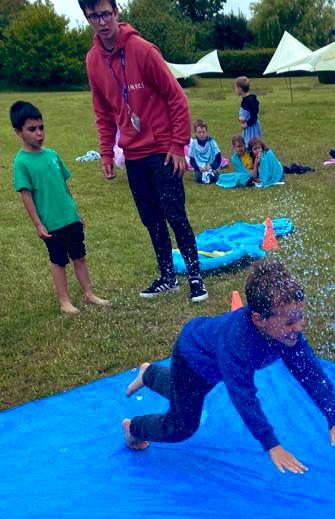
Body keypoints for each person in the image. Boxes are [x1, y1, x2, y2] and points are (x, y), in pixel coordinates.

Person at [122, 260, 335, 469]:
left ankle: (149, 373)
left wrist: (334, 418)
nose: (298, 327)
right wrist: (271, 444)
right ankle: (133, 428)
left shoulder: (288, 336)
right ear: (258, 319)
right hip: (192, 357)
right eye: (289, 322)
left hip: (213, 364)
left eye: (301, 316)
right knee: (182, 425)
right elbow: (243, 395)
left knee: (184, 391)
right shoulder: (238, 343)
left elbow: (312, 376)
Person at [78, 0, 207, 303]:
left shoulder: (143, 50)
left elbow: (177, 99)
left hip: (163, 150)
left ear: (116, 12)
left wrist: (178, 146)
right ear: (87, 18)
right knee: (150, 217)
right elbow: (102, 111)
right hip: (133, 154)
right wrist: (107, 154)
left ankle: (195, 276)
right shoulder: (93, 60)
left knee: (175, 213)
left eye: (106, 13)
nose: (102, 21)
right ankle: (167, 277)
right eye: (94, 16)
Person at [10, 100, 109, 316]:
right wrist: (38, 224)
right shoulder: (21, 163)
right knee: (59, 261)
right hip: (51, 223)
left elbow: (64, 186)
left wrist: (76, 212)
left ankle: (89, 293)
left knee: (79, 256)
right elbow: (26, 196)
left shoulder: (52, 155)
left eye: (41, 127)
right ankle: (64, 301)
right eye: (32, 129)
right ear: (18, 131)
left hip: (69, 217)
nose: (39, 133)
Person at [188, 119, 222, 184]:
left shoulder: (211, 142)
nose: (202, 135)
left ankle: (214, 173)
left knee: (215, 177)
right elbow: (192, 160)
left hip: (210, 166)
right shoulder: (193, 144)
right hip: (200, 168)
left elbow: (218, 158)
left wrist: (210, 166)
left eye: (203, 132)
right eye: (199, 132)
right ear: (195, 132)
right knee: (198, 177)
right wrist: (198, 168)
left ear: (206, 132)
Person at [234, 76, 261, 145]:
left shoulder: (250, 100)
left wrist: (246, 124)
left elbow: (254, 117)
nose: (235, 90)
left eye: (236, 88)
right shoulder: (245, 99)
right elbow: (245, 114)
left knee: (252, 145)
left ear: (240, 88)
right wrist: (240, 119)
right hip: (248, 128)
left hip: (252, 128)